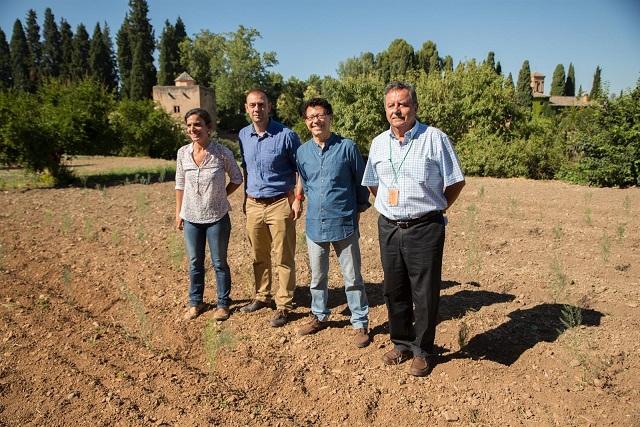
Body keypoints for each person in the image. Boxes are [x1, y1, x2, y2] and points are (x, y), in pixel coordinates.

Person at [362, 82, 465, 376]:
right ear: (385, 111)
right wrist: (389, 206)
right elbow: (372, 182)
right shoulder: (378, 143)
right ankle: (401, 343)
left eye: (403, 104)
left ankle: (422, 350)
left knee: (425, 292)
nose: (397, 110)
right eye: (391, 105)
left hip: (425, 227)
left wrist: (438, 206)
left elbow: (456, 181)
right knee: (394, 289)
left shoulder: (435, 139)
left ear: (415, 108)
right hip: (390, 227)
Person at [294, 98, 371, 348]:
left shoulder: (347, 147)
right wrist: (298, 199)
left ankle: (360, 322)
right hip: (315, 224)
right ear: (306, 122)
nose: (316, 120)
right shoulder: (302, 152)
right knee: (317, 276)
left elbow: (361, 181)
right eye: (310, 116)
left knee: (352, 277)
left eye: (320, 114)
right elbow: (304, 181)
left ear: (330, 117)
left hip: (344, 222)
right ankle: (318, 315)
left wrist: (358, 210)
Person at [238, 89, 302, 327]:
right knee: (258, 255)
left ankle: (284, 304)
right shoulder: (243, 135)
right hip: (254, 203)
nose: (257, 109)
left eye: (261, 104)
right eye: (252, 105)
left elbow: (301, 170)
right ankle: (262, 296)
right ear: (246, 108)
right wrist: (245, 197)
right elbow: (246, 169)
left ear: (269, 106)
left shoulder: (286, 135)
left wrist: (297, 198)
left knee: (284, 255)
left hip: (279, 203)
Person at [175, 108, 243, 321]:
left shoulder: (222, 152)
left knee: (219, 262)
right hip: (191, 217)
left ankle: (223, 304)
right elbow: (180, 184)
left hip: (217, 217)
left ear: (208, 128)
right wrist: (178, 213)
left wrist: (221, 194)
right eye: (189, 126)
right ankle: (195, 302)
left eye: (197, 124)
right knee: (195, 262)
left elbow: (237, 178)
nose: (193, 129)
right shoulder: (182, 153)